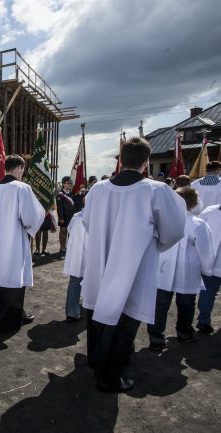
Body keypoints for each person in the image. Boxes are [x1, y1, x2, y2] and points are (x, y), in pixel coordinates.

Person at [80, 137, 186, 392]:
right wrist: (152, 245)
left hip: (99, 263)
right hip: (133, 267)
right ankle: (110, 378)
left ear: (121, 159)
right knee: (123, 325)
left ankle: (96, 362)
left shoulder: (98, 190)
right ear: (146, 161)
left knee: (97, 317)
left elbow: (87, 222)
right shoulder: (157, 191)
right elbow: (173, 230)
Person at [0, 155, 45, 336]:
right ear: (19, 168)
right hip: (13, 241)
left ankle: (15, 314)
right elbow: (30, 218)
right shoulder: (22, 188)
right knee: (12, 280)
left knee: (1, 279)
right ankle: (3, 320)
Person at [148, 187, 215, 351]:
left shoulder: (162, 220)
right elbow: (206, 250)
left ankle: (156, 337)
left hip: (163, 266)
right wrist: (207, 270)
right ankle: (184, 333)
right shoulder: (198, 224)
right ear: (193, 204)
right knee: (186, 303)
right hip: (187, 268)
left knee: (160, 303)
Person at [196, 203, 221, 334]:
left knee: (208, 292)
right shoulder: (210, 210)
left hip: (212, 261)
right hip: (213, 262)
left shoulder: (210, 211)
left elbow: (198, 230)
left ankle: (204, 321)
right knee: (208, 292)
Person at [63, 209, 87, 322]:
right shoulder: (98, 216)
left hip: (76, 254)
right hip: (89, 255)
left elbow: (69, 228)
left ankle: (72, 312)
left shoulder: (76, 216)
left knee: (74, 282)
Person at [56, 176, 75, 255]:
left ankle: (69, 247)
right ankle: (62, 247)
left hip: (71, 216)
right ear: (63, 184)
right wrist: (61, 218)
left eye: (70, 183)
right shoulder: (60, 195)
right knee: (63, 232)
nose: (69, 184)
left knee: (70, 232)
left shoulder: (71, 193)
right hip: (64, 216)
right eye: (68, 183)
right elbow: (59, 208)